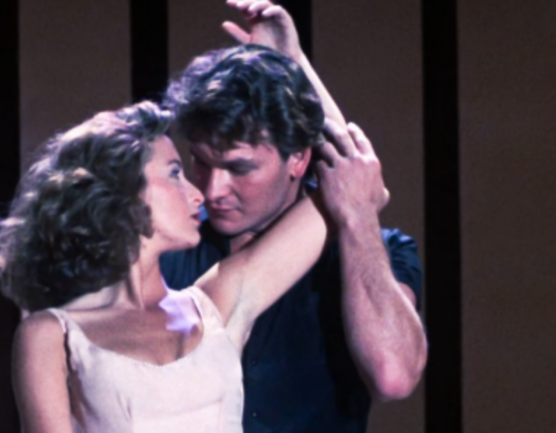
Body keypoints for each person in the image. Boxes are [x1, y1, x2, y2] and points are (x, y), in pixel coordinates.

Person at [0, 98, 364, 432]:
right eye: (173, 173)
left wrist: (291, 54)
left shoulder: (218, 303)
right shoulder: (53, 335)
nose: (200, 194)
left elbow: (357, 175)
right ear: (122, 193)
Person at [159, 2, 428, 432]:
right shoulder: (169, 248)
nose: (212, 190)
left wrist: (359, 216)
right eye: (202, 163)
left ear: (299, 159)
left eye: (239, 168)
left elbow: (393, 375)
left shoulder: (374, 250)